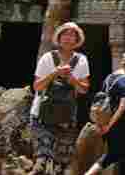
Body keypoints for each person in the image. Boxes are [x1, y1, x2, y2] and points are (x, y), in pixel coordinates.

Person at [30, 22, 91, 175]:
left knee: (61, 159)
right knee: (42, 156)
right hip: (42, 114)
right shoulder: (47, 58)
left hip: (66, 115)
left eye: (72, 35)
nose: (68, 38)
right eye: (65, 34)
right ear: (59, 37)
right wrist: (54, 74)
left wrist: (72, 78)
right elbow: (37, 86)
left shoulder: (81, 60)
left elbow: (84, 89)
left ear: (77, 40)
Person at [86, 51, 125, 175]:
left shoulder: (110, 77)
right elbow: (122, 107)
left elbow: (102, 101)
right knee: (123, 155)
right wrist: (109, 126)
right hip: (120, 124)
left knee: (115, 154)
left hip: (106, 122)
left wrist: (103, 124)